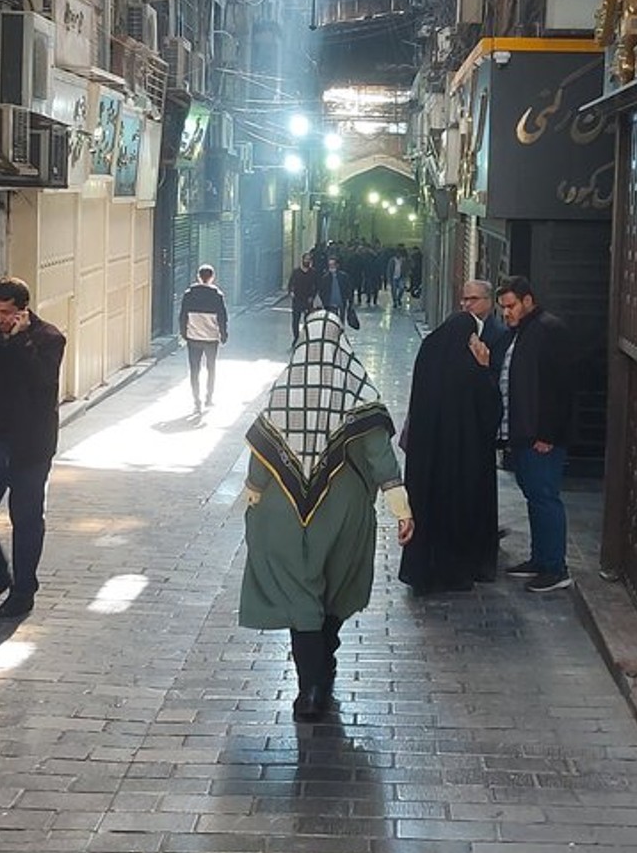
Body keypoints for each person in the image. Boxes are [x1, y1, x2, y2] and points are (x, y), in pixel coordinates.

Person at [238, 309, 413, 721]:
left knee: (300, 594)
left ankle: (309, 690)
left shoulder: (285, 390)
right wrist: (401, 510)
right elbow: (380, 456)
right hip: (344, 511)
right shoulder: (358, 391)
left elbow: (262, 456)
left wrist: (253, 496)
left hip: (285, 512)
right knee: (334, 589)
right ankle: (322, 665)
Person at [0, 277, 66, 621]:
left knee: (26, 520)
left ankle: (23, 591)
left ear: (22, 310)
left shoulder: (48, 338)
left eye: (6, 312)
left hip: (27, 448)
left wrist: (20, 342)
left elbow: (43, 383)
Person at [398, 291, 502, 596]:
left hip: (427, 459)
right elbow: (491, 413)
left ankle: (422, 571)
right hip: (461, 460)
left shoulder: (430, 355)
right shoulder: (471, 369)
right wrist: (485, 370)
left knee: (427, 512)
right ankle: (454, 571)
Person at [495, 274, 575, 592]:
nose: (506, 313)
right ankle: (540, 559)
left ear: (528, 300)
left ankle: (555, 567)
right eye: (503, 308)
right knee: (534, 496)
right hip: (521, 433)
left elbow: (560, 388)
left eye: (511, 306)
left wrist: (548, 434)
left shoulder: (550, 330)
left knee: (544, 497)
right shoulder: (519, 333)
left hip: (541, 436)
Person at [177, 263, 228, 416]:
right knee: (211, 368)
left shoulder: (189, 294)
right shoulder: (217, 295)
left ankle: (196, 401)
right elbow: (222, 318)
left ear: (198, 277)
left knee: (194, 370)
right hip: (211, 338)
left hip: (193, 337)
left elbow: (182, 316)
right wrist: (223, 335)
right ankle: (209, 398)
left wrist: (184, 334)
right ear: (212, 277)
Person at [287, 251, 318, 343]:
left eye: (309, 259)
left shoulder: (313, 273)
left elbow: (316, 286)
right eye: (306, 259)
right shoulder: (296, 272)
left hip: (308, 300)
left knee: (308, 319)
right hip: (297, 299)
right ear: (302, 260)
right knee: (295, 320)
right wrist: (291, 292)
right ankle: (296, 337)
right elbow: (290, 284)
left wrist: (312, 296)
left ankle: (307, 337)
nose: (307, 261)